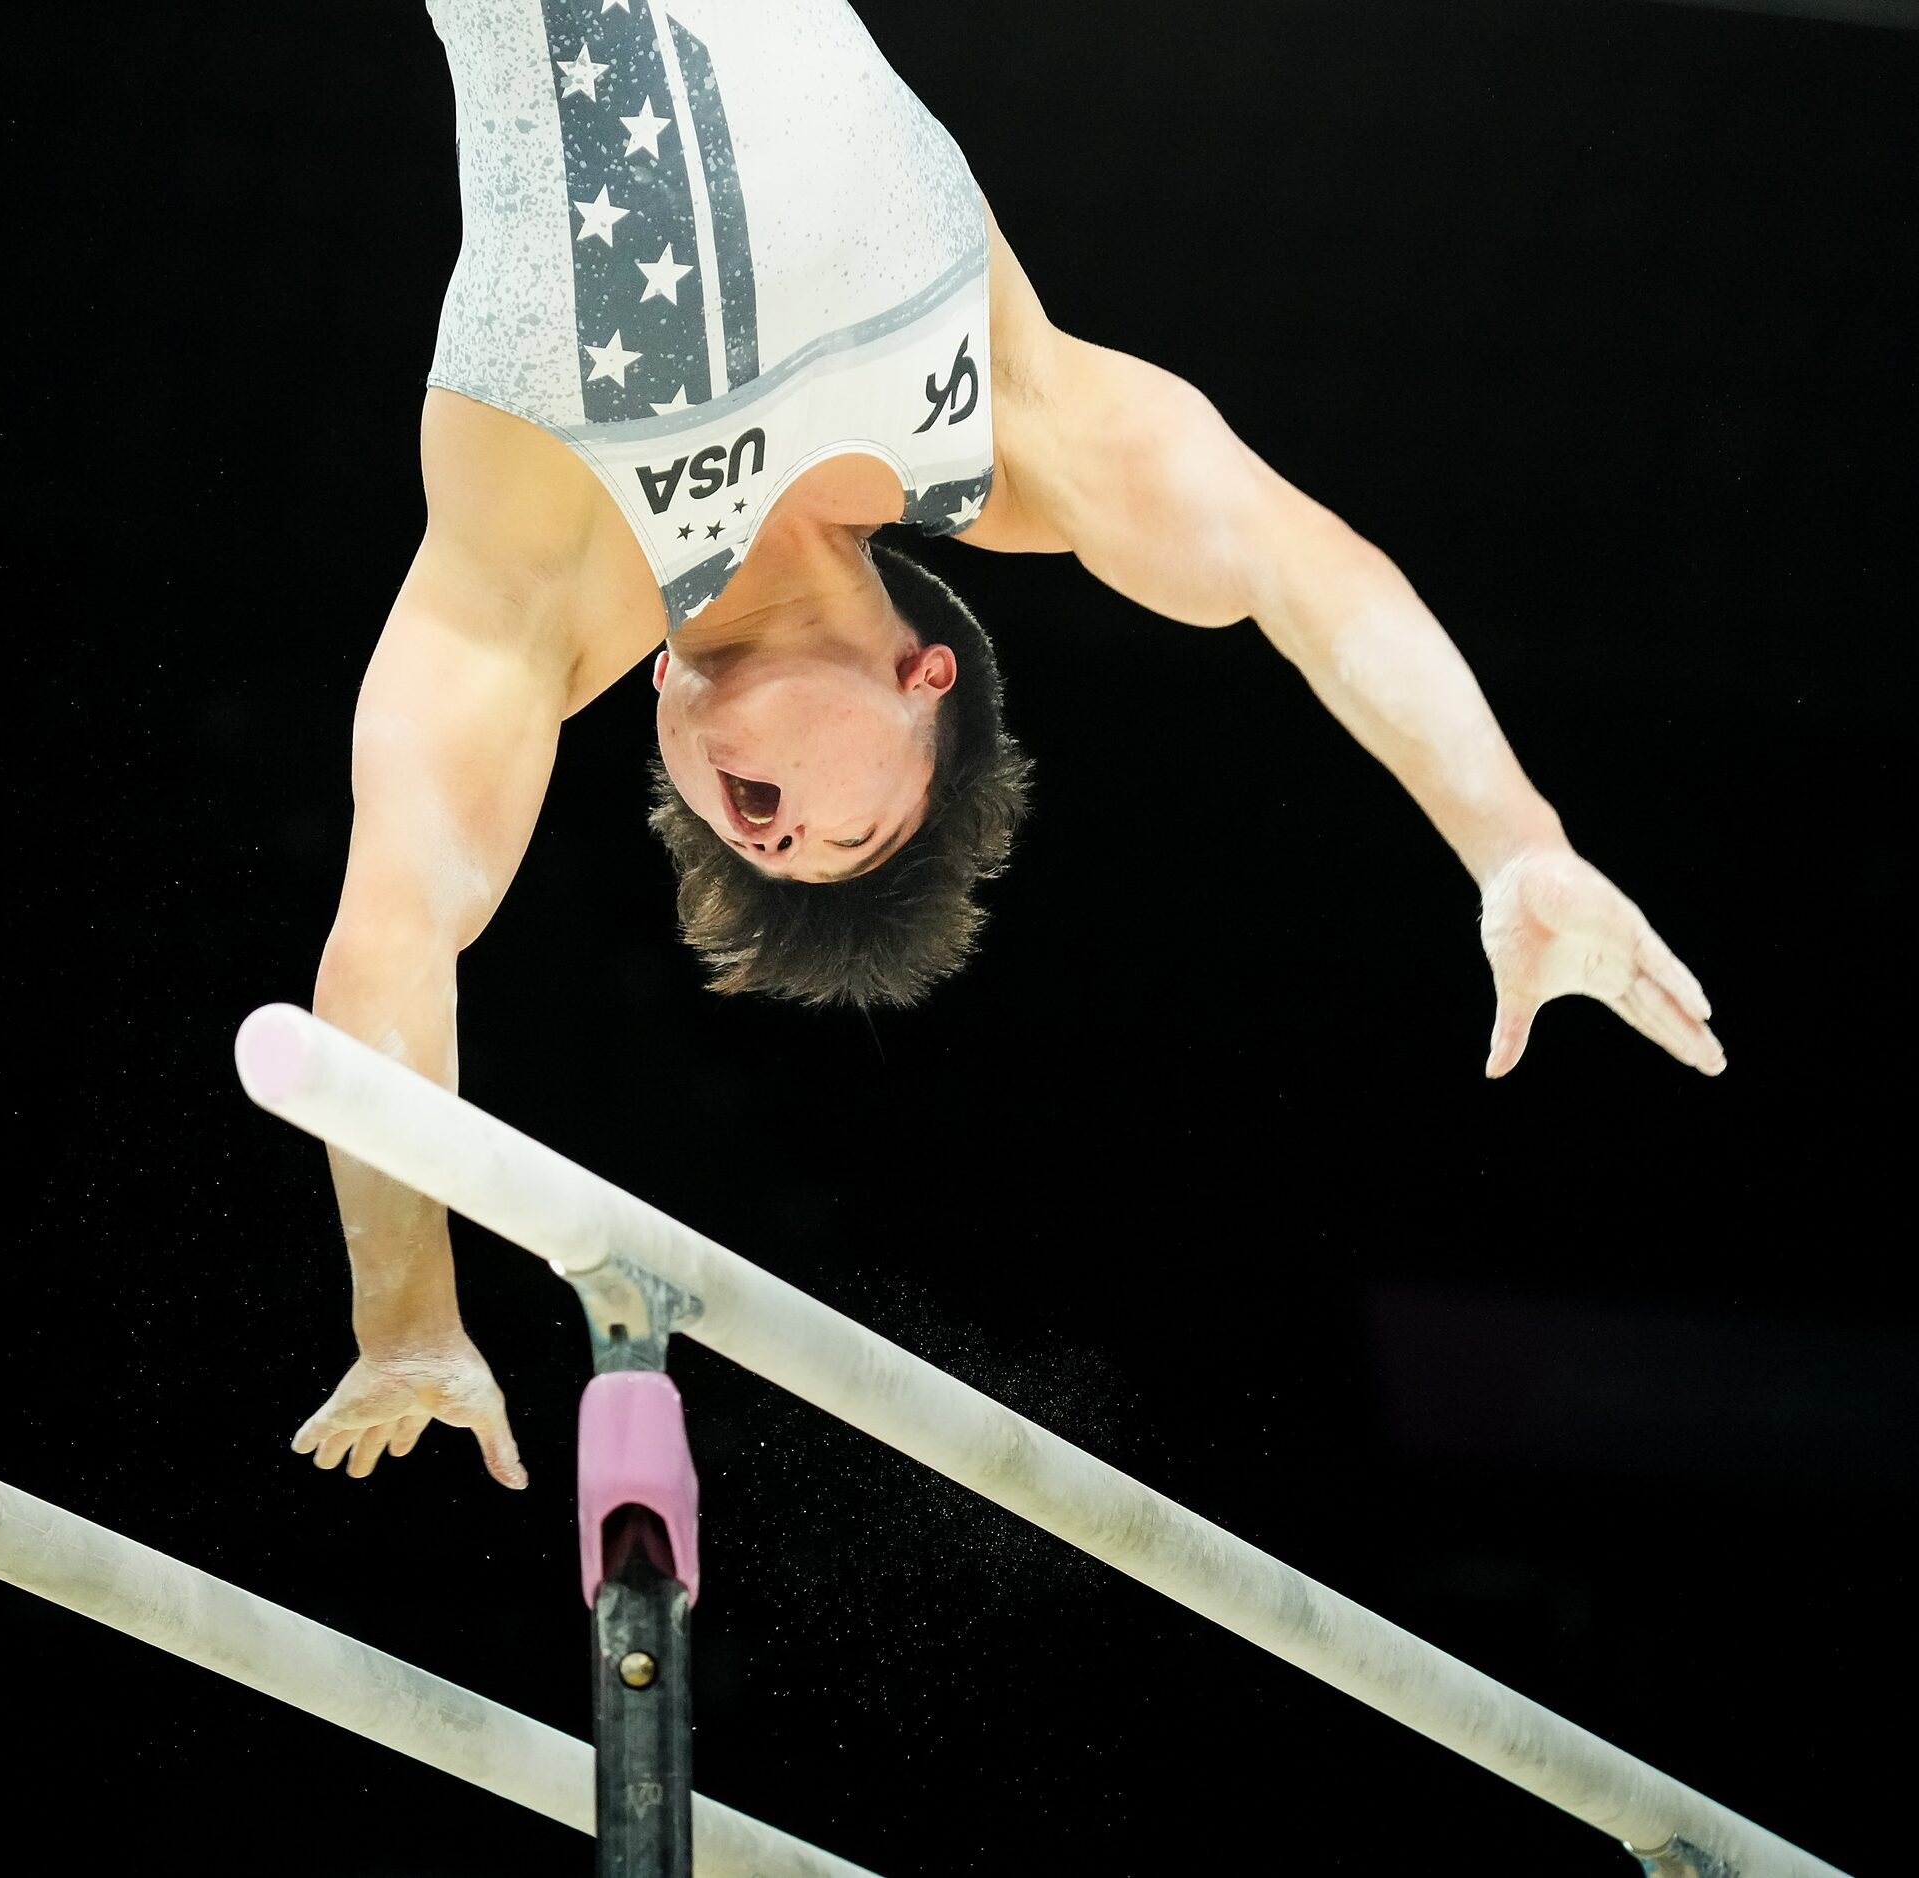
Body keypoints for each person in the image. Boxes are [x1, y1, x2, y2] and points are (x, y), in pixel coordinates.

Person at [291, 0, 1723, 1489]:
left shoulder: (543, 582)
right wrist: (1512, 840)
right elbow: (1303, 568)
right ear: (928, 680)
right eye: (849, 837)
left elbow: (393, 935)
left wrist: (408, 1311)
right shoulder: (1006, 418)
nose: (766, 839)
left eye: (751, 850)